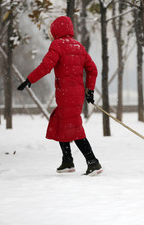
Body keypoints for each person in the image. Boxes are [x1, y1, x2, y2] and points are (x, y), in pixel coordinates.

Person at [17, 16, 102, 176]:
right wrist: (89, 90)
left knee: (74, 129)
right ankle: (67, 160)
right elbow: (93, 69)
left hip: (66, 94)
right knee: (58, 121)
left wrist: (30, 79)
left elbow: (46, 66)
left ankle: (93, 162)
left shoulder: (57, 45)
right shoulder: (79, 46)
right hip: (75, 96)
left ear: (56, 30)